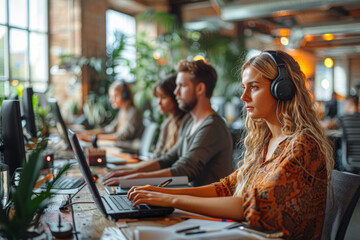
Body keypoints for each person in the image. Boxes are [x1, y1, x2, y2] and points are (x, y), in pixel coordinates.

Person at [127, 50, 334, 239]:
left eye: (254, 87)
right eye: (244, 88)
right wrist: (162, 193)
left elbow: (252, 205)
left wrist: (170, 200)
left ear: (283, 90)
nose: (244, 97)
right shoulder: (267, 141)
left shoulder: (303, 146)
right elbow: (226, 187)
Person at [103, 59, 234, 187]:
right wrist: (128, 172)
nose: (176, 92)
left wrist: (131, 179)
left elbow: (184, 170)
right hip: (192, 200)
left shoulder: (212, 126)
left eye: (182, 86)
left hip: (206, 206)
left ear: (200, 88)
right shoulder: (190, 123)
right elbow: (168, 158)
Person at [77, 81, 144, 150]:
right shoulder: (122, 112)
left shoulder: (133, 112)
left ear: (125, 95)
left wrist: (92, 138)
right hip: (120, 146)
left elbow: (121, 137)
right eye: (111, 96)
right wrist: (86, 133)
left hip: (129, 149)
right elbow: (108, 129)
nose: (111, 100)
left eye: (115, 96)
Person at [152, 74, 190, 158]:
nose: (159, 102)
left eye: (163, 97)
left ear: (175, 97)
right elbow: (158, 153)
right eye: (158, 97)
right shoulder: (168, 122)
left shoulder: (186, 122)